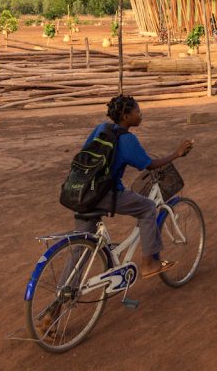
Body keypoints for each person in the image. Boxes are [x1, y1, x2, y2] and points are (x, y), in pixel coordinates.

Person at [75, 95, 194, 279]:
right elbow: (150, 164)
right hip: (106, 194)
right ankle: (148, 264)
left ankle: (64, 295)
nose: (141, 115)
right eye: (137, 112)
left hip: (83, 192)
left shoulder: (101, 128)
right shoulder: (127, 139)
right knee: (147, 207)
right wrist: (176, 154)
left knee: (81, 249)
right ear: (125, 116)